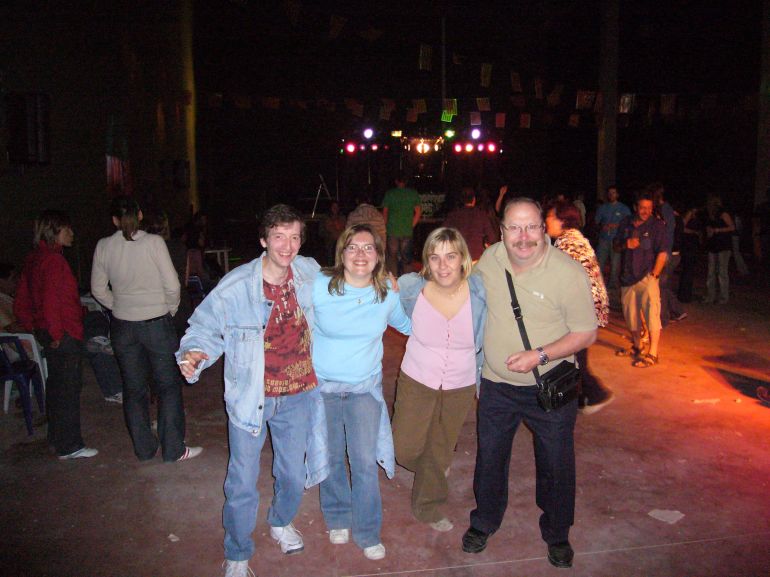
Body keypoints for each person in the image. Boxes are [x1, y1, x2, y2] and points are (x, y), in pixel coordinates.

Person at [177, 205, 327, 577]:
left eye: (294, 237)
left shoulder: (308, 272)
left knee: (293, 474)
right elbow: (204, 327)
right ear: (263, 240)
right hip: (252, 397)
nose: (287, 246)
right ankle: (238, 552)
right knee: (242, 480)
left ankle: (281, 521)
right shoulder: (237, 285)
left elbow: (343, 287)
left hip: (298, 394)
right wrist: (193, 353)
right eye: (279, 237)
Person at [462, 197, 597, 569]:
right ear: (501, 230)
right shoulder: (491, 259)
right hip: (496, 384)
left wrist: (539, 354)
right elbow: (459, 288)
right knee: (490, 458)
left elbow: (586, 333)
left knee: (556, 463)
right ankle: (484, 521)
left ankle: (557, 532)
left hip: (549, 385)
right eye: (514, 227)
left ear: (543, 228)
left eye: (531, 226)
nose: (523, 237)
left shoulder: (568, 272)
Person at [311, 223, 410, 561]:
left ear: (379, 256)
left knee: (365, 461)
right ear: (341, 253)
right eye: (353, 247)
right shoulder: (319, 286)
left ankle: (367, 531)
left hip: (363, 389)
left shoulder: (386, 293)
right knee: (331, 456)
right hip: (323, 388)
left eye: (368, 248)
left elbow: (408, 325)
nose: (360, 254)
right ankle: (338, 516)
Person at [91, 196, 200, 462]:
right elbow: (173, 285)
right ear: (139, 215)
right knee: (168, 386)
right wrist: (169, 309)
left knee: (133, 388)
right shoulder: (154, 243)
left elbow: (97, 289)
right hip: (156, 323)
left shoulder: (104, 246)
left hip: (123, 327)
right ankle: (173, 449)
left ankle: (144, 449)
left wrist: (118, 305)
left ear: (114, 220)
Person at [392, 227, 485, 533]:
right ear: (426, 261)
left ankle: (428, 505)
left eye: (451, 256)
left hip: (461, 381)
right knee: (403, 448)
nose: (443, 265)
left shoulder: (480, 291)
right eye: (435, 257)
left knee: (440, 445)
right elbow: (376, 290)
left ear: (463, 259)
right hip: (417, 376)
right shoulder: (411, 287)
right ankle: (432, 469)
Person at [14, 211, 98, 460]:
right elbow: (51, 300)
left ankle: (56, 438)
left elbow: (22, 300)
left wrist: (35, 327)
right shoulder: (53, 261)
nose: (71, 234)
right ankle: (70, 445)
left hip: (49, 331)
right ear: (54, 231)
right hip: (62, 332)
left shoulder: (35, 258)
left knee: (57, 386)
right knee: (68, 388)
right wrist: (56, 332)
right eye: (66, 229)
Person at [545, 202, 612, 414]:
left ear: (562, 220)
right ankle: (583, 397)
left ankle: (595, 394)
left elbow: (564, 281)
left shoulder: (569, 243)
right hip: (584, 308)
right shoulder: (571, 239)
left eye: (550, 217)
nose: (546, 221)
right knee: (574, 356)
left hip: (580, 309)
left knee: (571, 357)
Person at [614, 191, 669, 367]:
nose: (646, 211)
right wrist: (626, 244)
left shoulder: (657, 225)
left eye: (649, 208)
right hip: (627, 277)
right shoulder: (626, 223)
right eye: (642, 207)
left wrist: (655, 275)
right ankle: (637, 346)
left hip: (647, 276)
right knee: (631, 316)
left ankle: (653, 353)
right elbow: (616, 246)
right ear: (635, 207)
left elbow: (663, 252)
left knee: (652, 314)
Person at [651, 183, 686, 325]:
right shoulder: (663, 210)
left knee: (661, 285)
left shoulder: (665, 209)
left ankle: (663, 318)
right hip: (668, 253)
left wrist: (665, 253)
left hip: (668, 254)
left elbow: (669, 233)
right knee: (663, 286)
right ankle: (678, 311)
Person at [382, 173, 422, 275]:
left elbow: (385, 213)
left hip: (392, 231)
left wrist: (385, 227)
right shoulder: (413, 193)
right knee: (407, 260)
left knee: (392, 259)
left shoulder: (390, 193)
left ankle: (393, 280)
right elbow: (418, 212)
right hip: (407, 231)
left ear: (396, 181)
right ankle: (407, 281)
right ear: (406, 181)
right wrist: (411, 225)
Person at [443, 187, 498, 261]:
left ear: (462, 200)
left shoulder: (453, 215)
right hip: (475, 258)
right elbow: (492, 238)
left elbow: (442, 234)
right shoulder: (481, 215)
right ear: (474, 199)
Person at [594, 185, 631, 289]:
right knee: (599, 263)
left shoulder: (623, 208)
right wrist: (602, 226)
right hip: (603, 239)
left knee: (615, 265)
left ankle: (612, 286)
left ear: (617, 195)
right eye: (609, 193)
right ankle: (598, 284)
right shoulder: (602, 208)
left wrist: (617, 225)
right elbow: (596, 222)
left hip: (617, 240)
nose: (611, 195)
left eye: (613, 193)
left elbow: (629, 223)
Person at [703, 194, 735, 304]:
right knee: (711, 272)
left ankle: (723, 297)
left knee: (722, 272)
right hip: (713, 245)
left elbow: (732, 227)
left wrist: (718, 230)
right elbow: (708, 227)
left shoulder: (723, 213)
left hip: (723, 245)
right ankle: (710, 296)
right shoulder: (709, 214)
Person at [319, 201, 347, 265]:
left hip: (341, 239)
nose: (335, 209)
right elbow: (322, 231)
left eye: (336, 207)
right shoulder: (326, 218)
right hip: (330, 240)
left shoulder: (342, 217)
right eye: (333, 207)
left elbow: (344, 229)